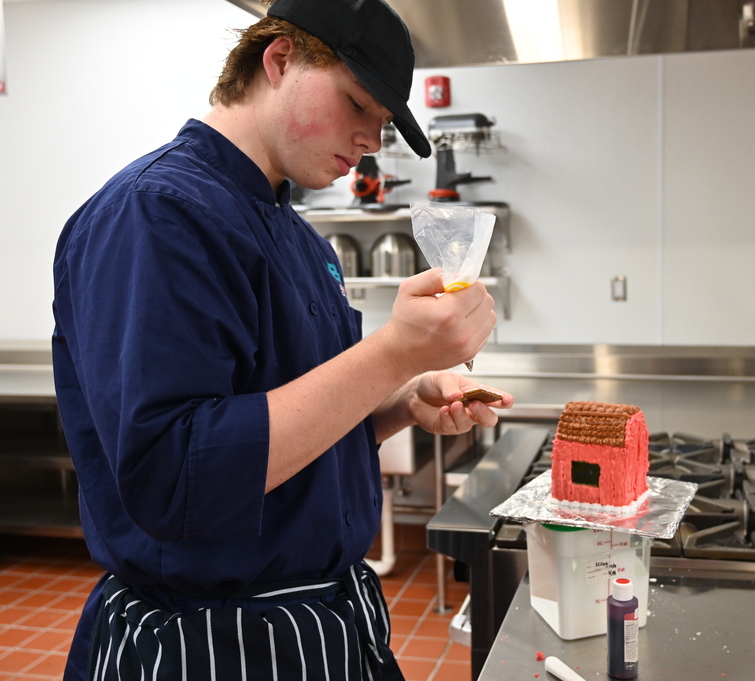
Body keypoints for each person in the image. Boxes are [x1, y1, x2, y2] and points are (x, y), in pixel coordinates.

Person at [51, 0, 513, 679]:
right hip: (211, 643)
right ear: (280, 59)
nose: (369, 141)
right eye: (358, 104)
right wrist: (393, 351)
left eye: (382, 125)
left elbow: (292, 425)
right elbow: (176, 476)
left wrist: (399, 399)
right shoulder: (158, 215)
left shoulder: (298, 238)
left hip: (325, 625)